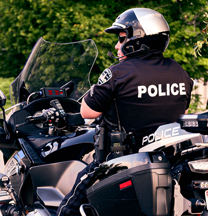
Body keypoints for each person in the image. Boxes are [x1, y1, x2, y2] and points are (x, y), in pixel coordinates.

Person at [57, 8, 193, 216]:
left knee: (68, 209)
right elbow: (182, 110)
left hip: (122, 160)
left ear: (137, 40)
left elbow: (88, 112)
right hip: (169, 160)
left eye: (121, 39)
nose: (116, 46)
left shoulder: (117, 73)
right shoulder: (180, 72)